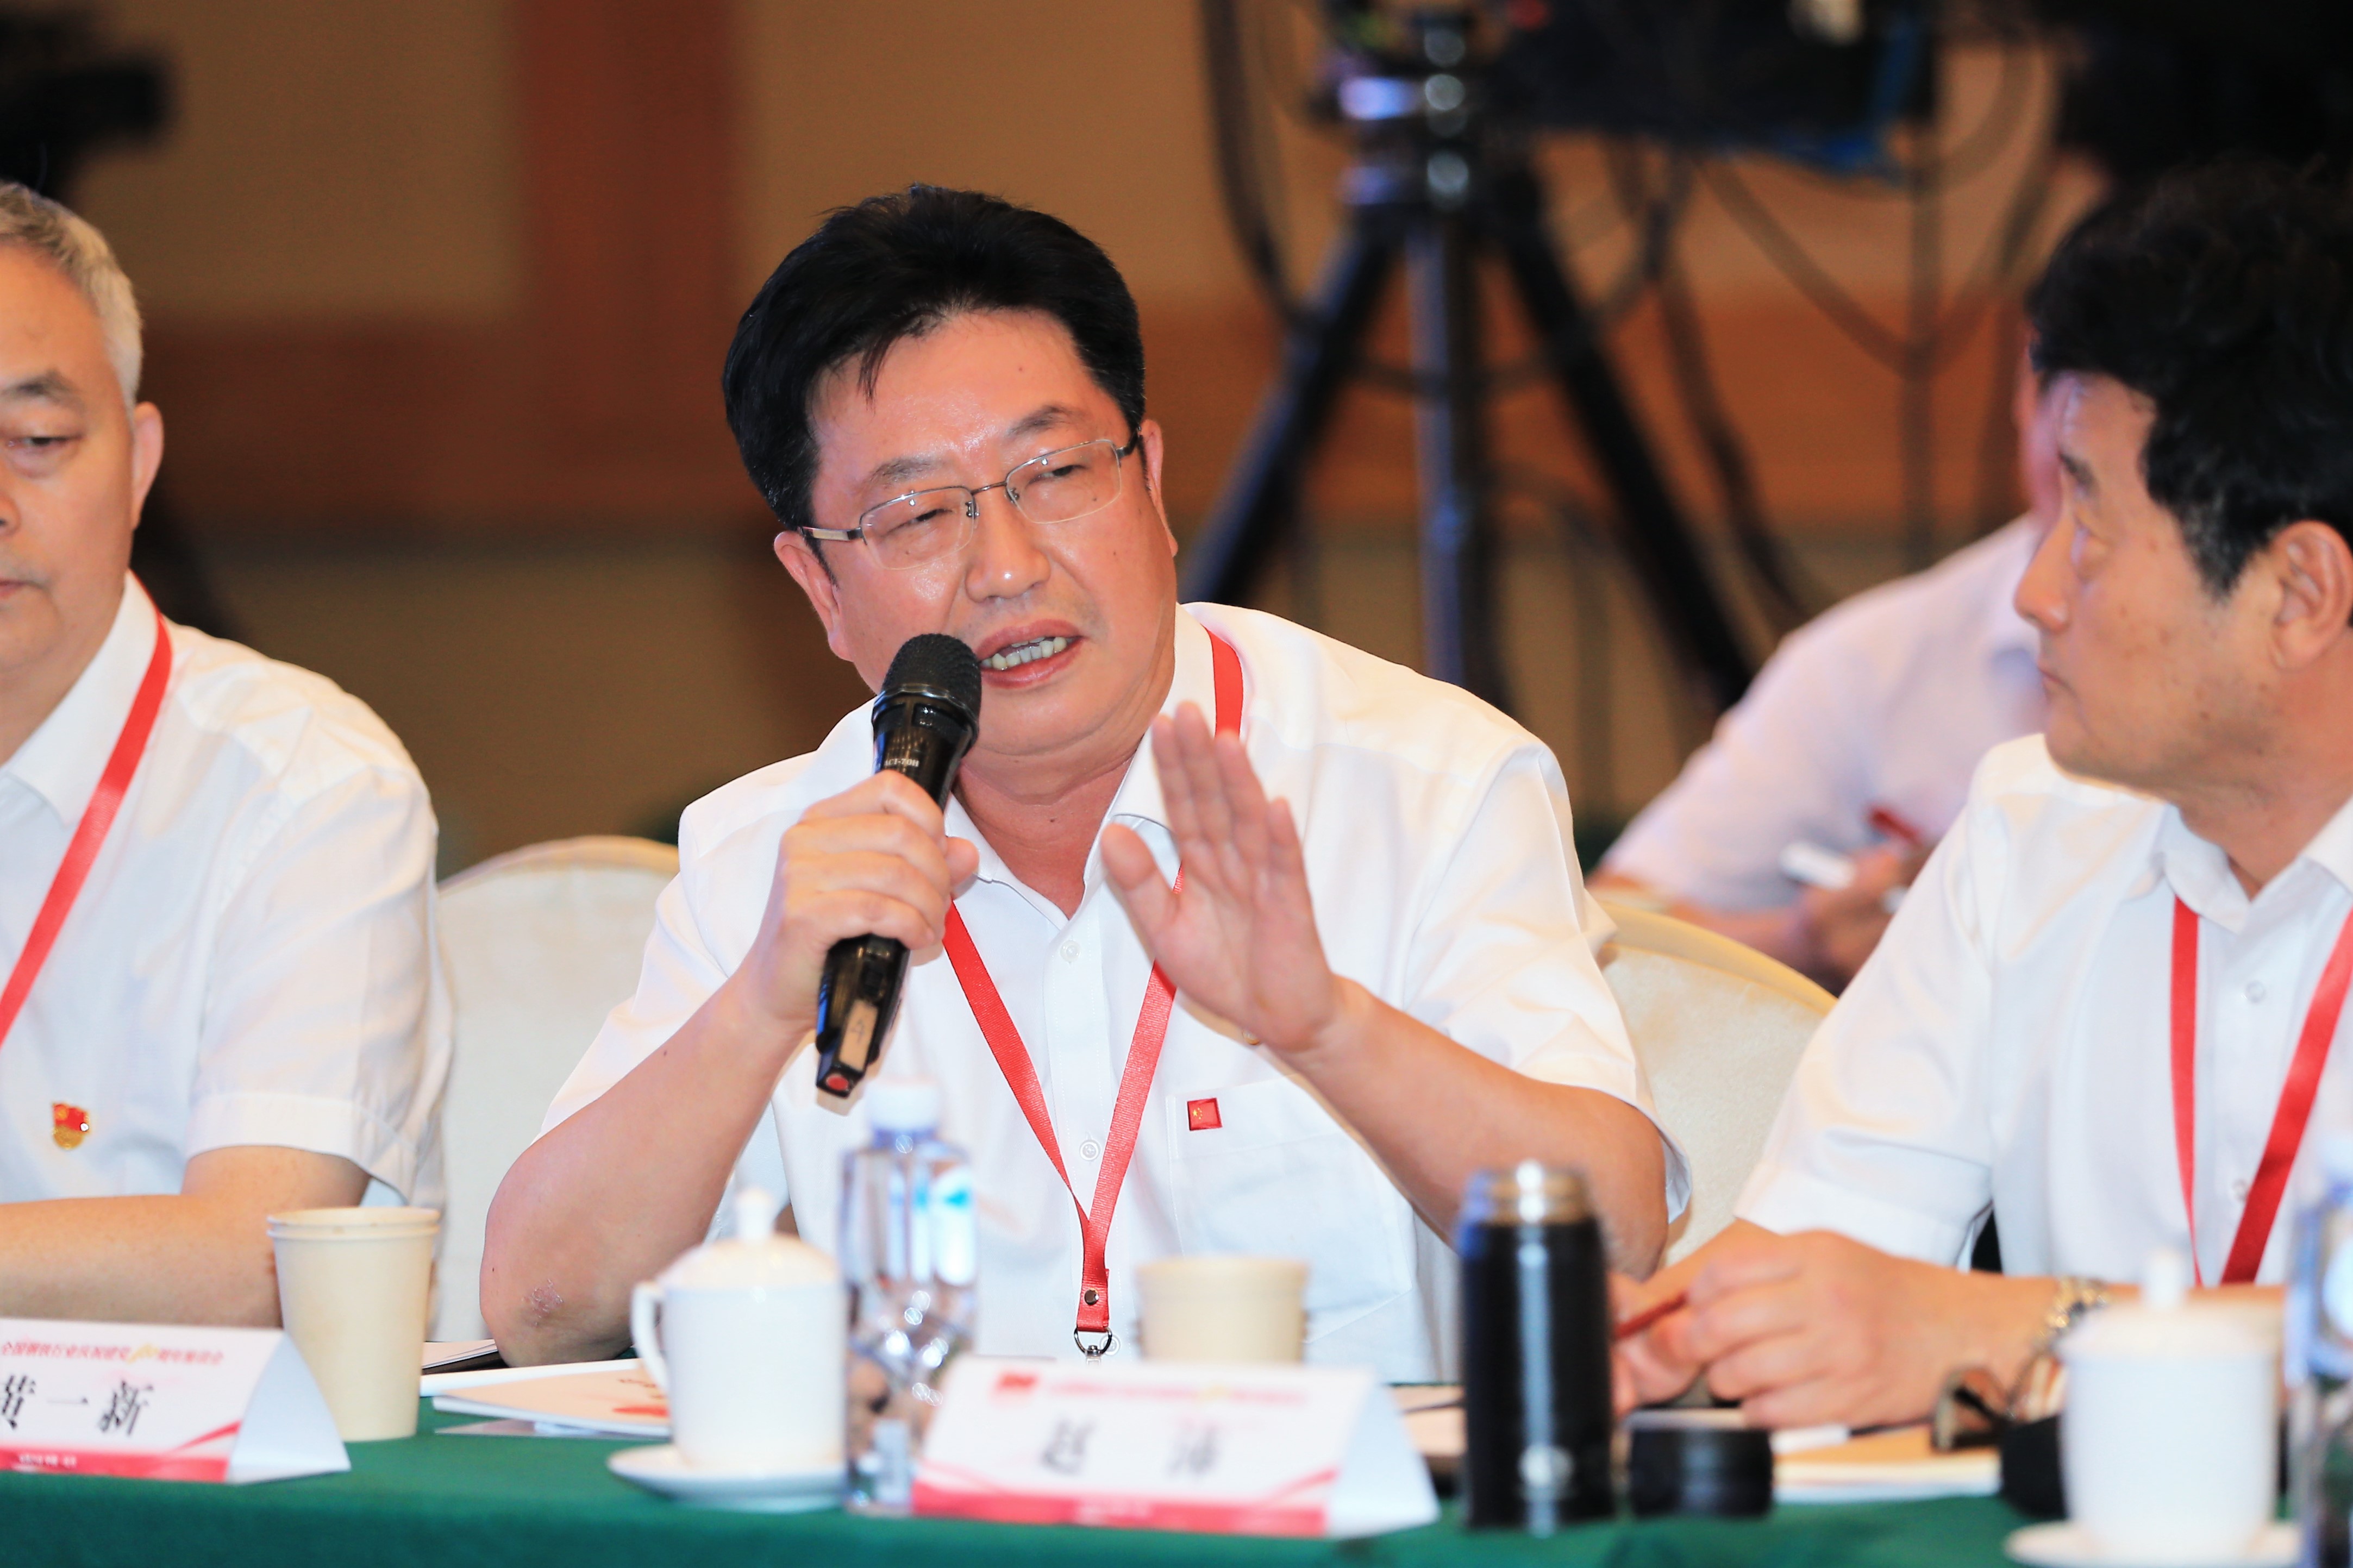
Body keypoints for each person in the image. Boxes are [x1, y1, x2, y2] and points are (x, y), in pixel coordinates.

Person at [483, 186, 1679, 1375]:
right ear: (819, 588)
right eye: (916, 515)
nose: (1006, 568)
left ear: (1148, 482)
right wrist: (756, 1010)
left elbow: (1615, 1238)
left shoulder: (1422, 787)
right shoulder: (778, 858)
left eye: (1054, 472)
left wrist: (1328, 1028)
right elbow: (541, 1310)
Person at [1614, 163, 2353, 1429]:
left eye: (2088, 526)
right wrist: (1666, 1338)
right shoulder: (2027, 826)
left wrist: (2007, 1325)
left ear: (2296, 594)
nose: (2033, 594)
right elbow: (1825, 1247)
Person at [0, 184, 447, 1325]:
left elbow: (260, 1258)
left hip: (202, 1439)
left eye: (37, 442)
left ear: (139, 462)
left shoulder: (309, 788)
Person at [1595, 356, 2066, 989]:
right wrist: (1798, 943)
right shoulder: (1874, 658)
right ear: (2024, 394)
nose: (2044, 598)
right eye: (2073, 467)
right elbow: (1611, 924)